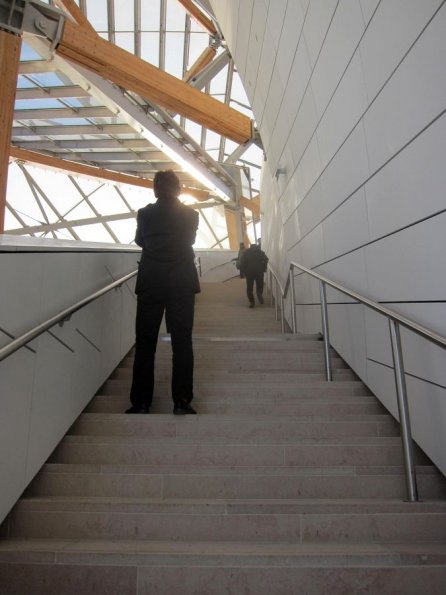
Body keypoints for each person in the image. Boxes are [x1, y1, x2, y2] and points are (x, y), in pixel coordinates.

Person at [126, 170, 200, 415]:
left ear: (156, 189)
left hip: (151, 281)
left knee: (145, 344)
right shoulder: (191, 215)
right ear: (178, 189)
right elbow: (188, 240)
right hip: (181, 282)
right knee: (182, 342)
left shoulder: (145, 214)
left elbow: (140, 241)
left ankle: (141, 403)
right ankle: (181, 401)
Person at [239, 243, 268, 308]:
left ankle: (252, 302)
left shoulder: (245, 253)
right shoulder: (260, 252)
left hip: (249, 272)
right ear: (256, 247)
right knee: (260, 284)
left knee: (249, 287)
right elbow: (266, 259)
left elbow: (242, 263)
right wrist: (263, 268)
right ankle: (259, 293)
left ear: (250, 247)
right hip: (259, 271)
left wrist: (243, 272)